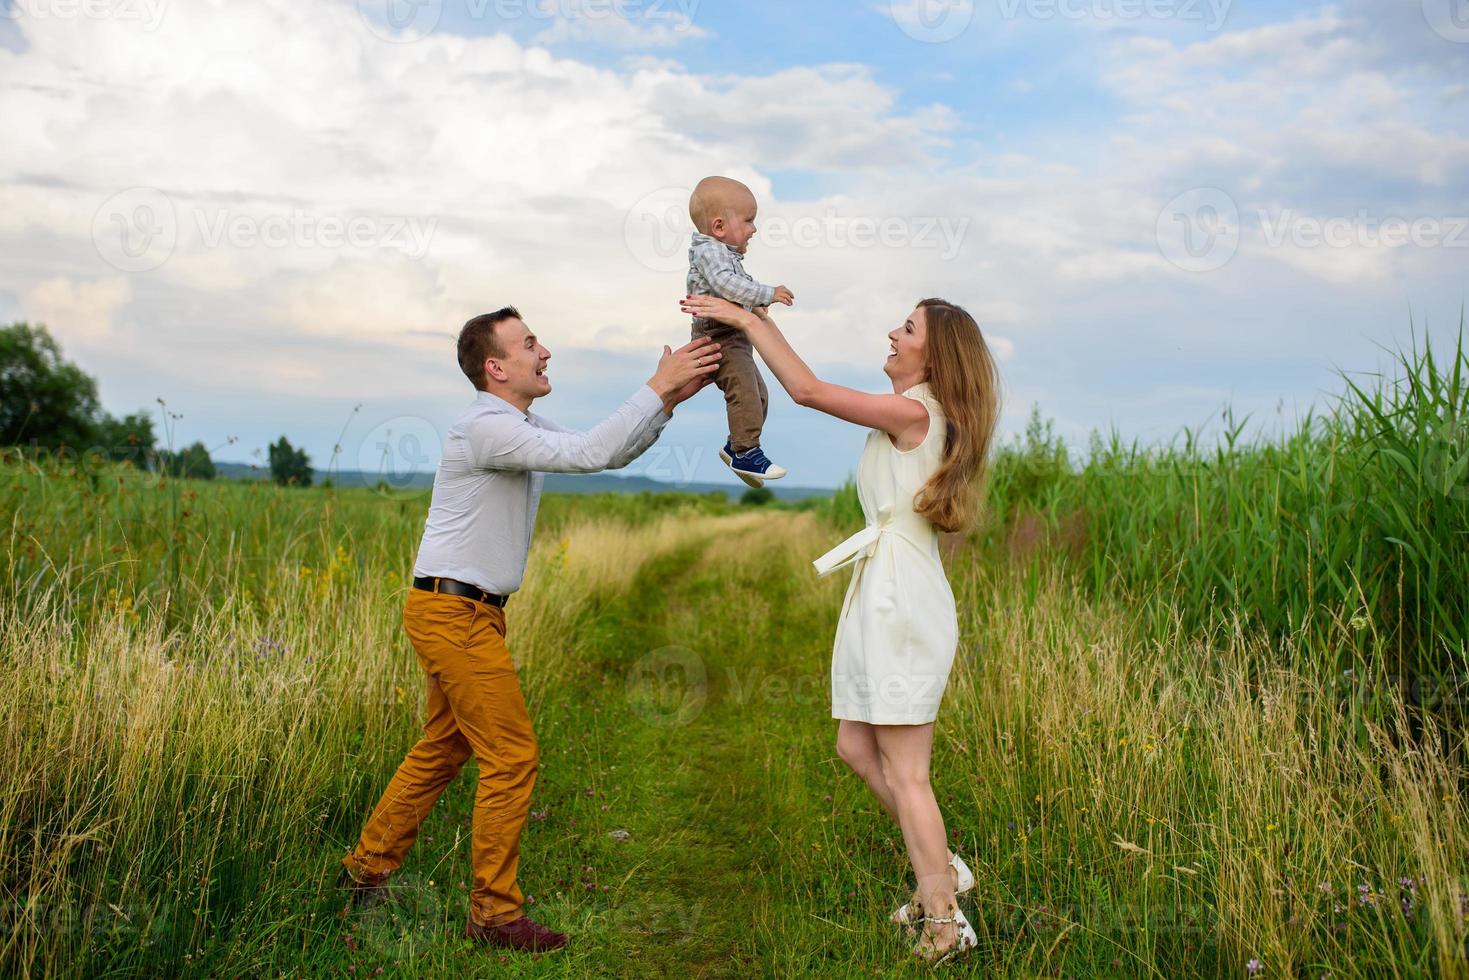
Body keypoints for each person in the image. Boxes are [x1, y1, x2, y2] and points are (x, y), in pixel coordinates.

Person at [338, 306, 720, 954]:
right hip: (454, 615)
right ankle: (493, 913)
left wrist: (671, 398)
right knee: (510, 756)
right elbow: (591, 450)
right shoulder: (487, 428)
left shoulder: (514, 425)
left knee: (443, 748)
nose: (545, 353)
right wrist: (656, 388)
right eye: (529, 344)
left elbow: (605, 451)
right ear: (496, 366)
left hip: (465, 611)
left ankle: (366, 870)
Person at [679, 292, 1000, 963]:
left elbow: (804, 390)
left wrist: (745, 318)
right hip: (882, 591)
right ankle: (940, 866)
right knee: (855, 748)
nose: (891, 332)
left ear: (934, 356)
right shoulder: (913, 418)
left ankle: (944, 922)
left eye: (906, 328)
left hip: (902, 602)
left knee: (908, 773)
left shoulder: (915, 413)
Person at [686, 175, 794, 488]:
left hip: (733, 335)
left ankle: (735, 446)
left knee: (759, 394)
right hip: (718, 336)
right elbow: (726, 285)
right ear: (719, 227)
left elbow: (734, 288)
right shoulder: (712, 253)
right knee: (744, 391)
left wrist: (753, 307)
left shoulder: (724, 254)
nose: (754, 229)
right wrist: (767, 293)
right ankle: (747, 451)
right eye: (749, 221)